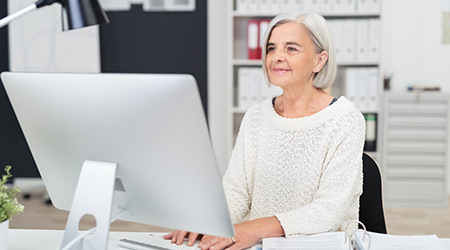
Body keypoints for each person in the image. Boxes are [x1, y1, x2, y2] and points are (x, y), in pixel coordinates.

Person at [164, 12, 365, 250]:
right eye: (271, 48)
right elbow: (237, 191)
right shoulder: (256, 117)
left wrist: (254, 228)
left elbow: (328, 211)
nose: (277, 57)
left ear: (319, 61)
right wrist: (207, 220)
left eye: (291, 49)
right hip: (260, 245)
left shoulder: (345, 119)